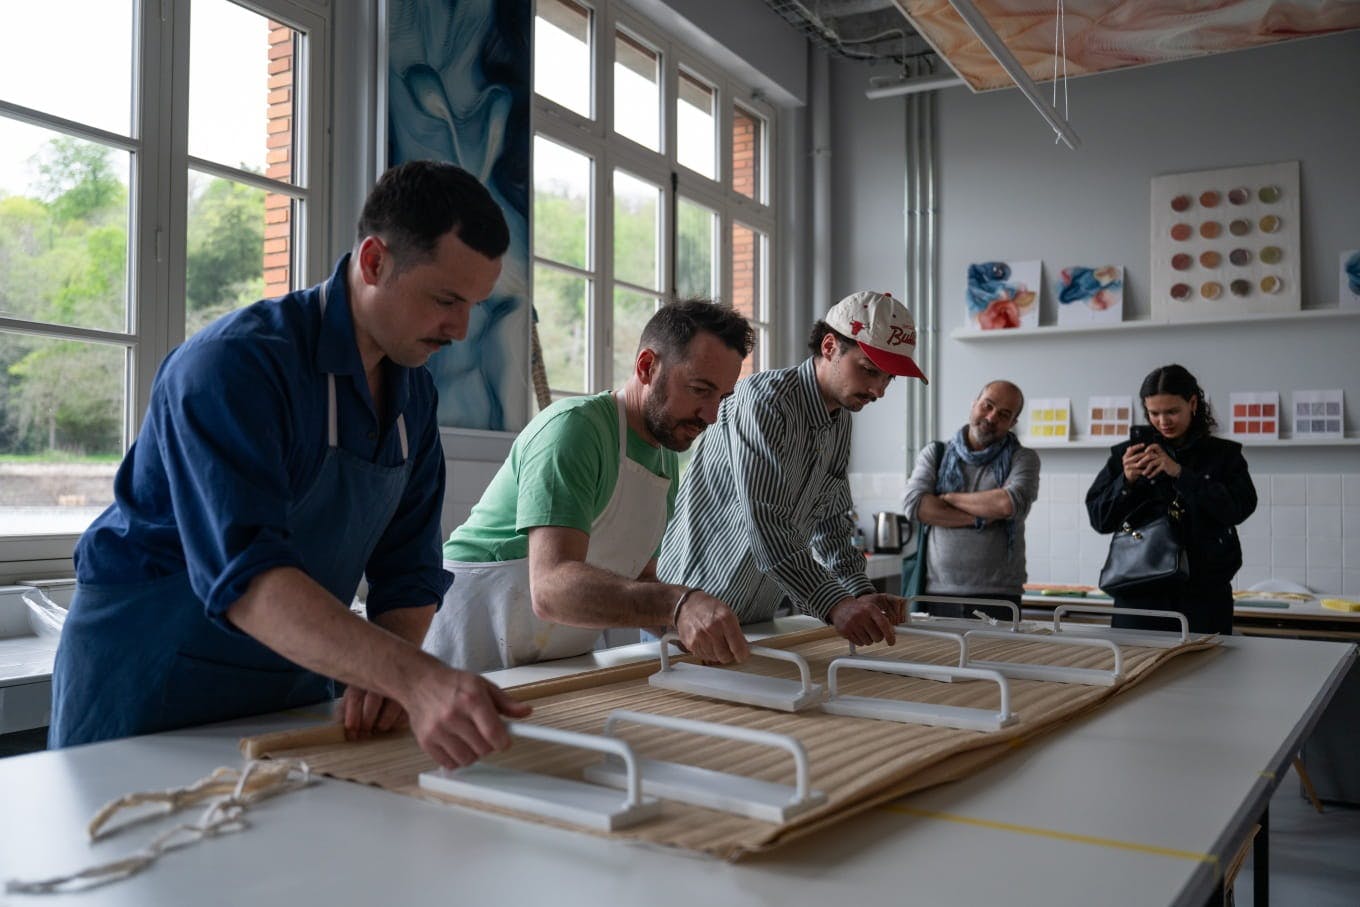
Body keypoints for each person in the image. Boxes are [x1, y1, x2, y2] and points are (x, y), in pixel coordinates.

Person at [50, 161, 531, 768]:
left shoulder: (413, 394)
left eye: (474, 307)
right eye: (444, 299)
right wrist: (413, 677)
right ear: (375, 261)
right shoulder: (234, 367)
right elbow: (247, 579)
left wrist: (384, 670)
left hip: (292, 678)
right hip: (150, 679)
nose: (460, 330)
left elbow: (408, 570)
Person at [422, 300, 755, 673]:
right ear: (647, 367)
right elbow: (550, 588)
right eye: (699, 389)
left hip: (546, 660)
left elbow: (640, 578)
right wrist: (678, 603)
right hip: (466, 645)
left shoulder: (663, 459)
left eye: (722, 398)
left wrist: (691, 628)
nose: (711, 416)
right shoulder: (574, 429)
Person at [657, 290, 927, 647]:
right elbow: (766, 522)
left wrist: (859, 593)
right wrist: (835, 604)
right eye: (868, 370)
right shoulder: (765, 402)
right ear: (829, 347)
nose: (878, 390)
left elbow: (832, 523)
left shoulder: (840, 419)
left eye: (889, 378)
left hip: (753, 616)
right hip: (689, 607)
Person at [1086, 364, 1256, 635]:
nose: (1163, 421)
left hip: (1203, 596)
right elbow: (1099, 519)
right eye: (1154, 413)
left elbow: (1238, 509)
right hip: (1138, 595)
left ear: (1192, 403)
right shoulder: (1127, 455)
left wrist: (1180, 474)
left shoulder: (1223, 456)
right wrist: (1126, 481)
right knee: (1135, 674)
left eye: (1172, 412)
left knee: (1208, 674)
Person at [900, 380, 1040, 620]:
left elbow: (1008, 504)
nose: (992, 416)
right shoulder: (936, 454)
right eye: (987, 405)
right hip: (936, 593)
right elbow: (915, 505)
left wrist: (948, 497)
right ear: (974, 404)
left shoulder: (1023, 458)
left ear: (1012, 423)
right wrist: (977, 518)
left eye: (1004, 414)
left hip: (999, 596)